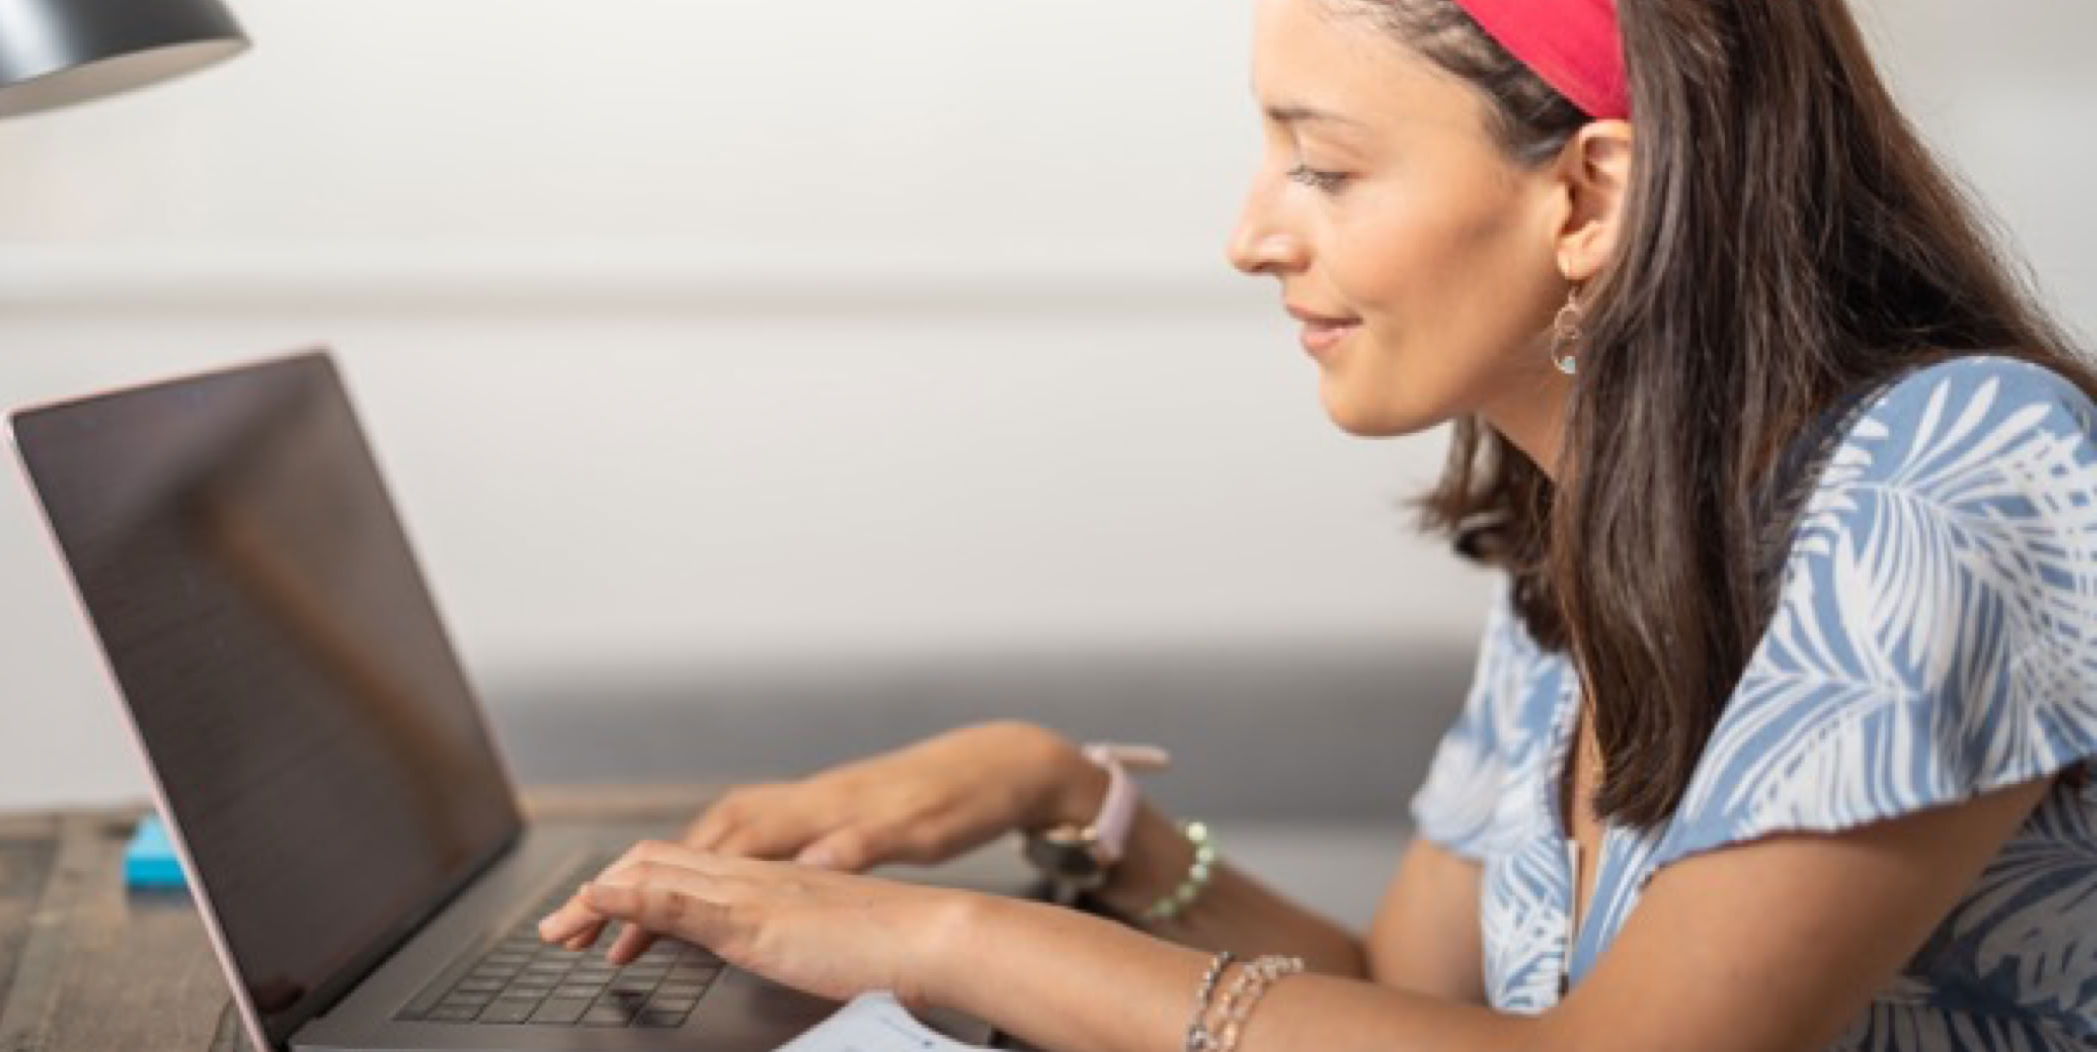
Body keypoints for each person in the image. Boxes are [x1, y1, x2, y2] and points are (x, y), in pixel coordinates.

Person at [540, 0, 2097, 1048]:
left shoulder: (1945, 474)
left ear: (1592, 196)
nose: (1247, 233)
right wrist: (1066, 798)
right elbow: (1388, 1000)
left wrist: (932, 946)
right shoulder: (1605, 533)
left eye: (1324, 165)